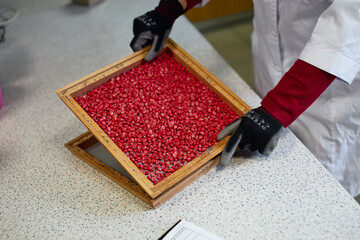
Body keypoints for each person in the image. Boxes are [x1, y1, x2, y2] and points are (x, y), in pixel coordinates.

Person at [130, 0, 360, 197]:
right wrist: (172, 6)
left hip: (326, 98)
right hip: (270, 74)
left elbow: (348, 25)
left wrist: (279, 107)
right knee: (260, 183)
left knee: (319, 195)